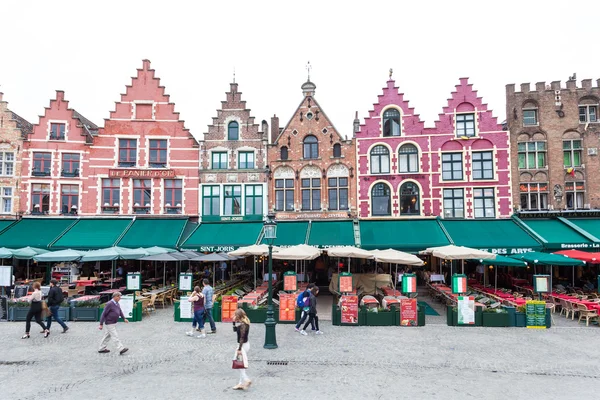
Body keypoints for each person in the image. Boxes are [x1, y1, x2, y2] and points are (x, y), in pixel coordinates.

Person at [232, 308, 251, 390]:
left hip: (242, 346)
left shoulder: (243, 325)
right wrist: (233, 322)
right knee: (240, 363)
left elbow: (242, 338)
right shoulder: (244, 323)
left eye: (235, 315)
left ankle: (246, 379)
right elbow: (235, 330)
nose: (234, 316)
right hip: (245, 345)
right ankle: (240, 383)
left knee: (237, 363)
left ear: (238, 316)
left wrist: (239, 349)